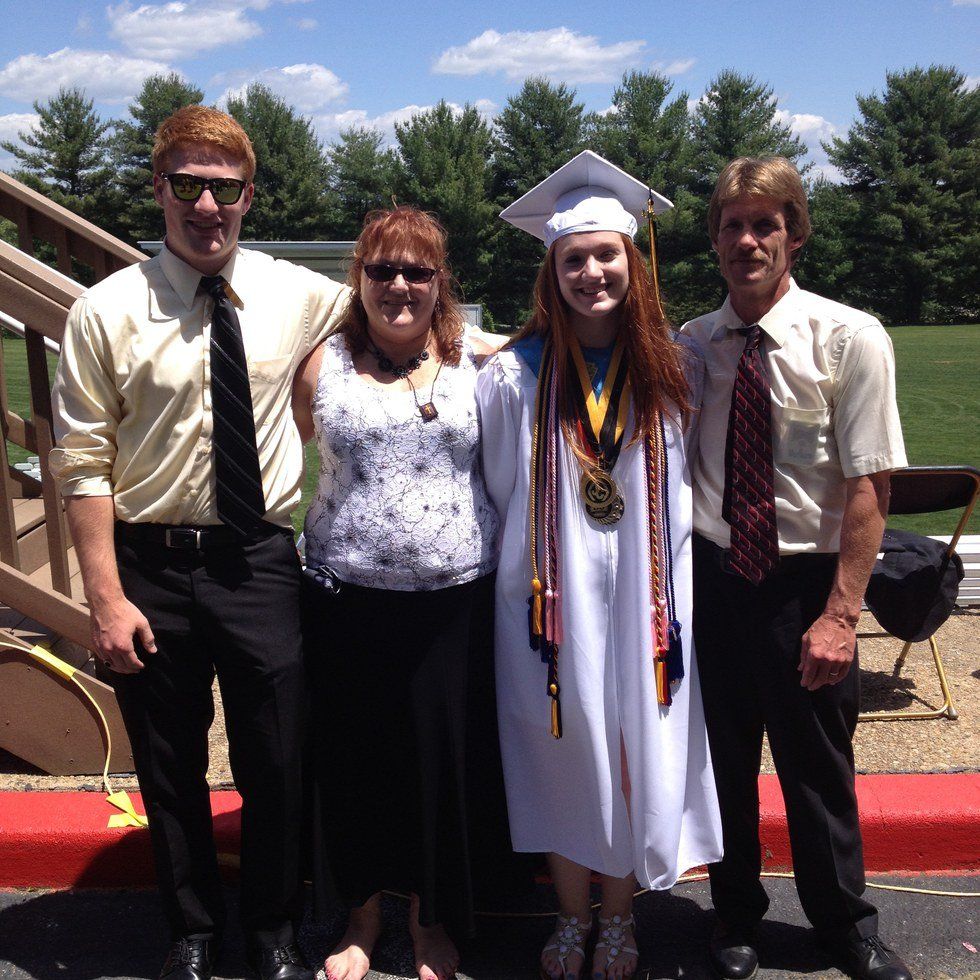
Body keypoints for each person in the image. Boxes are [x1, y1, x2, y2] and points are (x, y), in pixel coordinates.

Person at [49, 105, 350, 980]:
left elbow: (405, 312)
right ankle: (190, 929)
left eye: (224, 188)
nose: (206, 206)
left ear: (249, 196)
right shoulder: (106, 311)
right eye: (187, 185)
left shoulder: (298, 294)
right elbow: (82, 462)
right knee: (169, 764)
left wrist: (531, 352)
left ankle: (272, 928)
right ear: (159, 189)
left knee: (279, 757)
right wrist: (105, 600)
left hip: (259, 563)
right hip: (148, 565)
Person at [476, 151, 723, 980]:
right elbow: (504, 492)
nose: (592, 273)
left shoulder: (675, 369)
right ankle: (570, 915)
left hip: (648, 605)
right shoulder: (512, 378)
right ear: (551, 274)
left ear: (632, 262)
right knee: (565, 751)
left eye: (606, 254)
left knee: (631, 750)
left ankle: (619, 918)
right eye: (573, 259)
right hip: (551, 605)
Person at [681, 156, 911, 980]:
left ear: (795, 234)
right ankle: (734, 915)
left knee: (817, 773)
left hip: (805, 587)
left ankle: (844, 926)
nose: (747, 241)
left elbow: (870, 485)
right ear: (714, 241)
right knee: (722, 768)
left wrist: (841, 614)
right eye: (732, 226)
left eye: (765, 225)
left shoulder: (849, 338)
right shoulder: (690, 344)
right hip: (714, 581)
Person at [293, 205, 515, 980]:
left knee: (439, 769)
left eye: (417, 271)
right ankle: (359, 920)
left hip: (455, 603)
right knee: (356, 765)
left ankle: (429, 920)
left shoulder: (479, 360)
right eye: (382, 269)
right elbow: (279, 456)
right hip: (345, 600)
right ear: (358, 276)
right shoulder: (320, 365)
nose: (398, 285)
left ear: (439, 281)